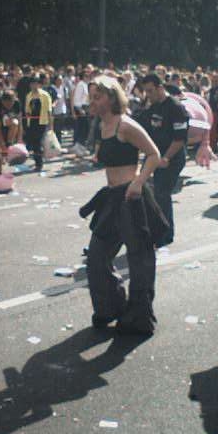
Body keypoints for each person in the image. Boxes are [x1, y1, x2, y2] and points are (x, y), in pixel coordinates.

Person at [79, 75, 167, 336]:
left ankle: (139, 316)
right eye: (91, 96)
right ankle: (111, 307)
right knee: (97, 256)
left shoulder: (125, 125)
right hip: (112, 198)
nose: (92, 101)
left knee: (139, 259)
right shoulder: (102, 125)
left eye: (97, 97)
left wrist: (139, 182)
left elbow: (153, 154)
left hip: (131, 198)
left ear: (111, 98)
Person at [138, 73, 189, 247]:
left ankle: (165, 234)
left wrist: (166, 157)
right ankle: (148, 229)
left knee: (161, 192)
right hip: (154, 155)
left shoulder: (176, 108)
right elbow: (140, 129)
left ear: (160, 88)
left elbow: (179, 139)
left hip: (171, 157)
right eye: (145, 91)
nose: (148, 95)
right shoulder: (151, 108)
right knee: (141, 189)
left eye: (151, 91)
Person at [0, 89, 22, 174]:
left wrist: (19, 138)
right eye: (7, 104)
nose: (9, 106)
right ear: (2, 101)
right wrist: (2, 144)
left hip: (8, 121)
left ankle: (9, 143)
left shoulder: (17, 103)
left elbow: (19, 121)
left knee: (15, 122)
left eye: (11, 104)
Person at [24, 76, 53, 171]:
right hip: (32, 122)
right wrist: (27, 114)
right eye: (32, 84)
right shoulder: (28, 95)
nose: (34, 85)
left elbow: (49, 111)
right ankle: (37, 162)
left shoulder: (45, 95)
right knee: (34, 142)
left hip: (42, 122)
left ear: (39, 84)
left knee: (39, 142)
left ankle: (39, 163)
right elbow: (27, 109)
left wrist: (51, 125)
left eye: (36, 83)